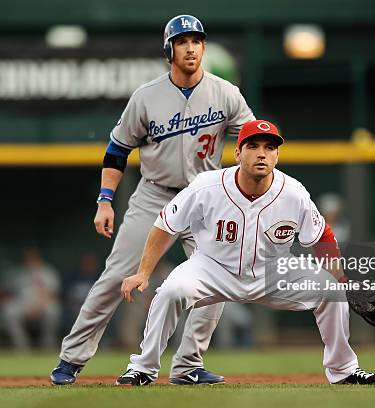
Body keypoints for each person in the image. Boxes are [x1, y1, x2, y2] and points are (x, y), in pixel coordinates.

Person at [50, 14, 255, 385]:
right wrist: (104, 200)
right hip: (154, 195)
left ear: (203, 47)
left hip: (203, 198)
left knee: (218, 280)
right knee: (117, 276)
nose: (190, 48)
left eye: (196, 41)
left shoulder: (226, 93)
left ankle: (188, 365)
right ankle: (71, 359)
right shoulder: (147, 96)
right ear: (169, 50)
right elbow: (117, 151)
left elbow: (251, 139)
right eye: (182, 42)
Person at [116, 119, 375, 386]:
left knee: (330, 292)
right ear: (237, 153)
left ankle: (344, 370)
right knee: (170, 292)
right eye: (253, 146)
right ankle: (143, 368)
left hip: (273, 271)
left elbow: (322, 237)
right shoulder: (207, 186)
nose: (262, 153)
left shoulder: (293, 193)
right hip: (212, 268)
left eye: (269, 148)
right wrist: (143, 272)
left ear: (277, 155)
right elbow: (165, 224)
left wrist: (341, 282)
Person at [2, 247, 61, 349]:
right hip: (23, 305)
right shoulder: (19, 273)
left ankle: (47, 344)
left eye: (33, 258)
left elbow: (53, 295)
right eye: (28, 259)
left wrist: (38, 306)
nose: (30, 261)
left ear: (39, 259)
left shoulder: (47, 273)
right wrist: (27, 307)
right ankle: (22, 345)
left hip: (43, 304)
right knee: (9, 310)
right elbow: (11, 294)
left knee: (53, 310)